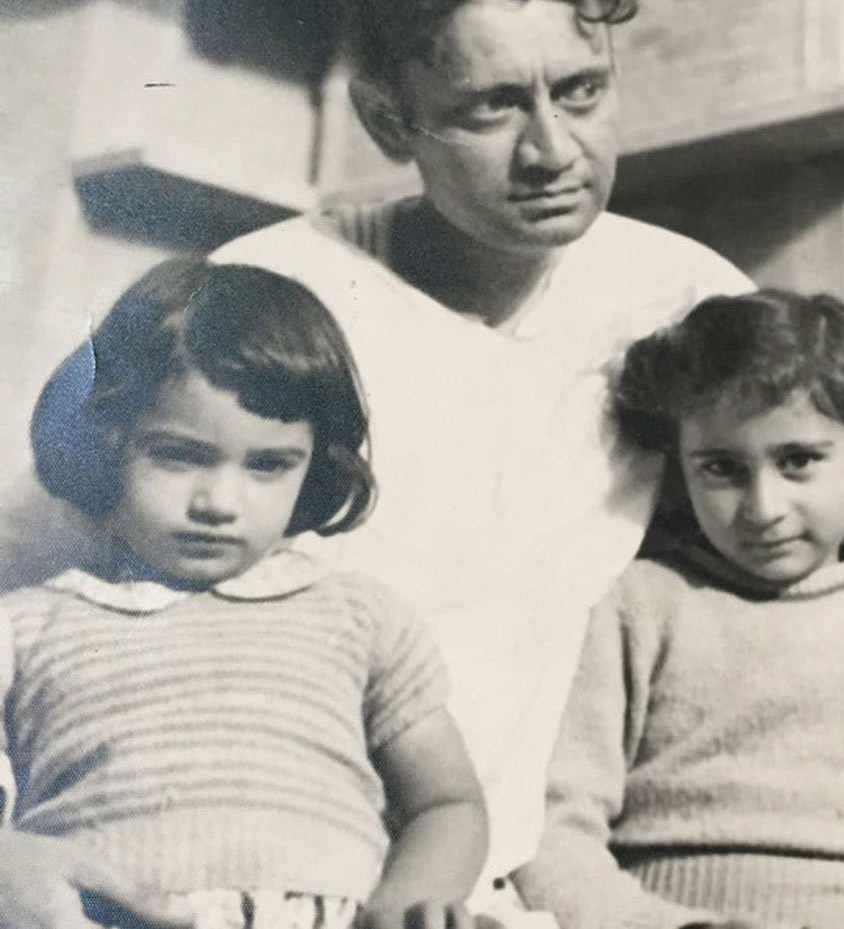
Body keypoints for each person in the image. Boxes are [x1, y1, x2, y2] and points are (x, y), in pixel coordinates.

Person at [0, 0, 750, 927]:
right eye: (491, 107)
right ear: (388, 119)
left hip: (499, 890)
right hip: (222, 877)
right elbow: (26, 573)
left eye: (581, 92)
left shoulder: (689, 299)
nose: (552, 150)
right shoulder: (267, 295)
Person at [2, 259, 487, 929]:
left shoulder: (359, 617)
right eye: (178, 454)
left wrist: (403, 906)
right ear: (106, 443)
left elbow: (448, 803)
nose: (219, 502)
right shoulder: (25, 627)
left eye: (268, 465)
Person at [512, 291, 844, 929]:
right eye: (723, 468)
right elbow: (553, 831)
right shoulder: (633, 604)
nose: (763, 508)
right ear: (680, 465)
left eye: (798, 461)